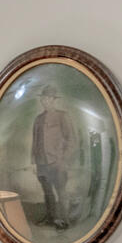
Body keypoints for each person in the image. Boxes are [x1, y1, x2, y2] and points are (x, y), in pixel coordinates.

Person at [30, 90, 79, 231]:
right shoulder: (38, 119)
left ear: (53, 99)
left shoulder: (62, 116)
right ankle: (51, 218)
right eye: (43, 99)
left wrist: (64, 160)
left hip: (58, 163)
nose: (44, 101)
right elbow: (35, 141)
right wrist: (33, 161)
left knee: (61, 191)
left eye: (47, 99)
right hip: (41, 163)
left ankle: (64, 220)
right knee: (47, 192)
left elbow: (72, 140)